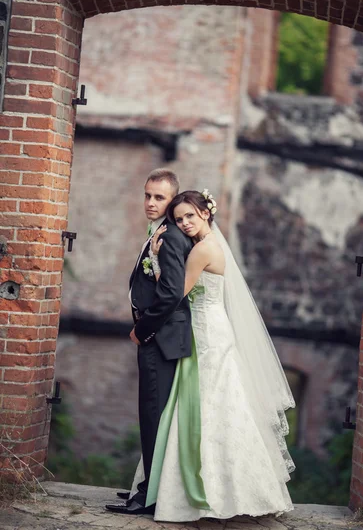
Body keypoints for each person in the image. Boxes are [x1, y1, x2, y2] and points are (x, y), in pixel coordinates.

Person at [129, 189, 296, 522]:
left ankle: (212, 494)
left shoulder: (204, 249)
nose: (184, 223)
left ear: (206, 212)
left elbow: (177, 292)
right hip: (208, 329)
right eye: (178, 219)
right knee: (212, 405)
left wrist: (159, 261)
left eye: (190, 215)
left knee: (211, 405)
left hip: (208, 334)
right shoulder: (210, 245)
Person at [106, 169, 193, 516]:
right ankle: (147, 487)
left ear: (173, 201)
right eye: (147, 195)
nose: (151, 202)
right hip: (159, 337)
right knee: (153, 415)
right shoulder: (159, 233)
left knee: (154, 416)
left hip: (160, 339)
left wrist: (144, 331)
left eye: (159, 197)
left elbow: (172, 292)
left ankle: (150, 497)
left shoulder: (171, 236)